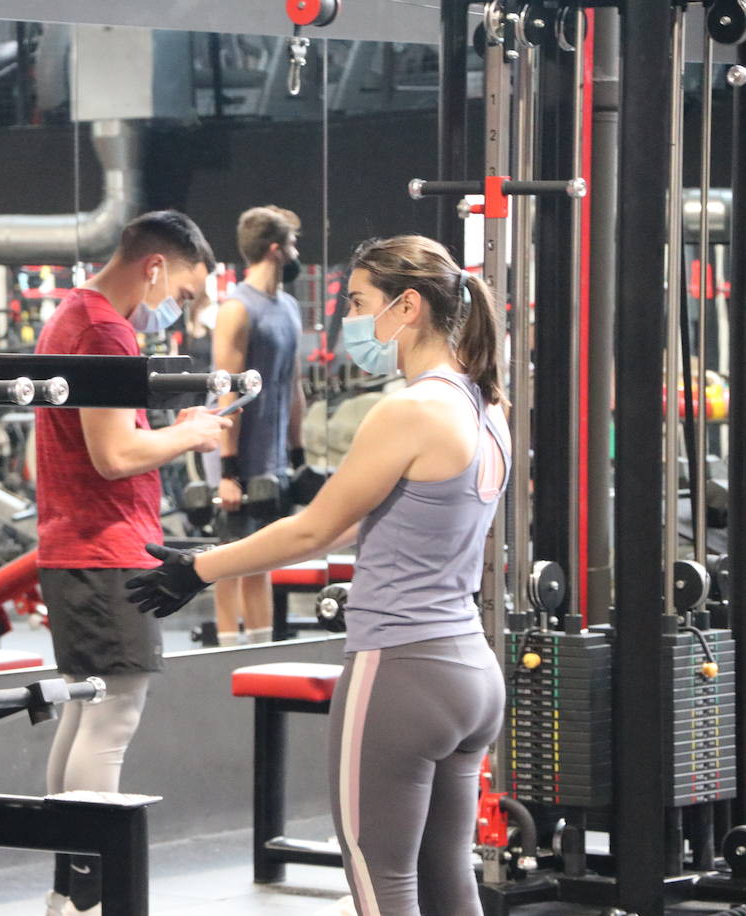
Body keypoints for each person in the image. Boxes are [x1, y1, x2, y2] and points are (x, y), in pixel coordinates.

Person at [128, 235, 510, 916]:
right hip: (471, 673)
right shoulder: (487, 408)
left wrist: (199, 569)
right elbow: (364, 517)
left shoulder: (410, 409)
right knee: (447, 875)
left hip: (402, 671)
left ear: (409, 306)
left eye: (360, 303)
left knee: (378, 878)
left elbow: (315, 529)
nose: (350, 321)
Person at [33, 210, 232, 916]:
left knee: (83, 715)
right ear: (153, 268)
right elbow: (113, 455)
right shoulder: (106, 331)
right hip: (104, 548)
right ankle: (86, 899)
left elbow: (104, 444)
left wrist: (172, 429)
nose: (175, 311)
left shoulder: (71, 316)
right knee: (110, 720)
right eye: (179, 293)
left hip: (78, 546)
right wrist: (193, 434)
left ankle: (67, 898)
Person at [211, 205, 308, 646]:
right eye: (292, 242)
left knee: (263, 561)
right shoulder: (236, 309)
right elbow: (227, 393)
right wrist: (229, 470)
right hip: (238, 457)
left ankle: (261, 650)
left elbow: (294, 385)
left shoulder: (288, 306)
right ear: (275, 249)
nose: (295, 251)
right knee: (230, 561)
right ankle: (227, 655)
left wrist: (298, 452)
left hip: (274, 460)